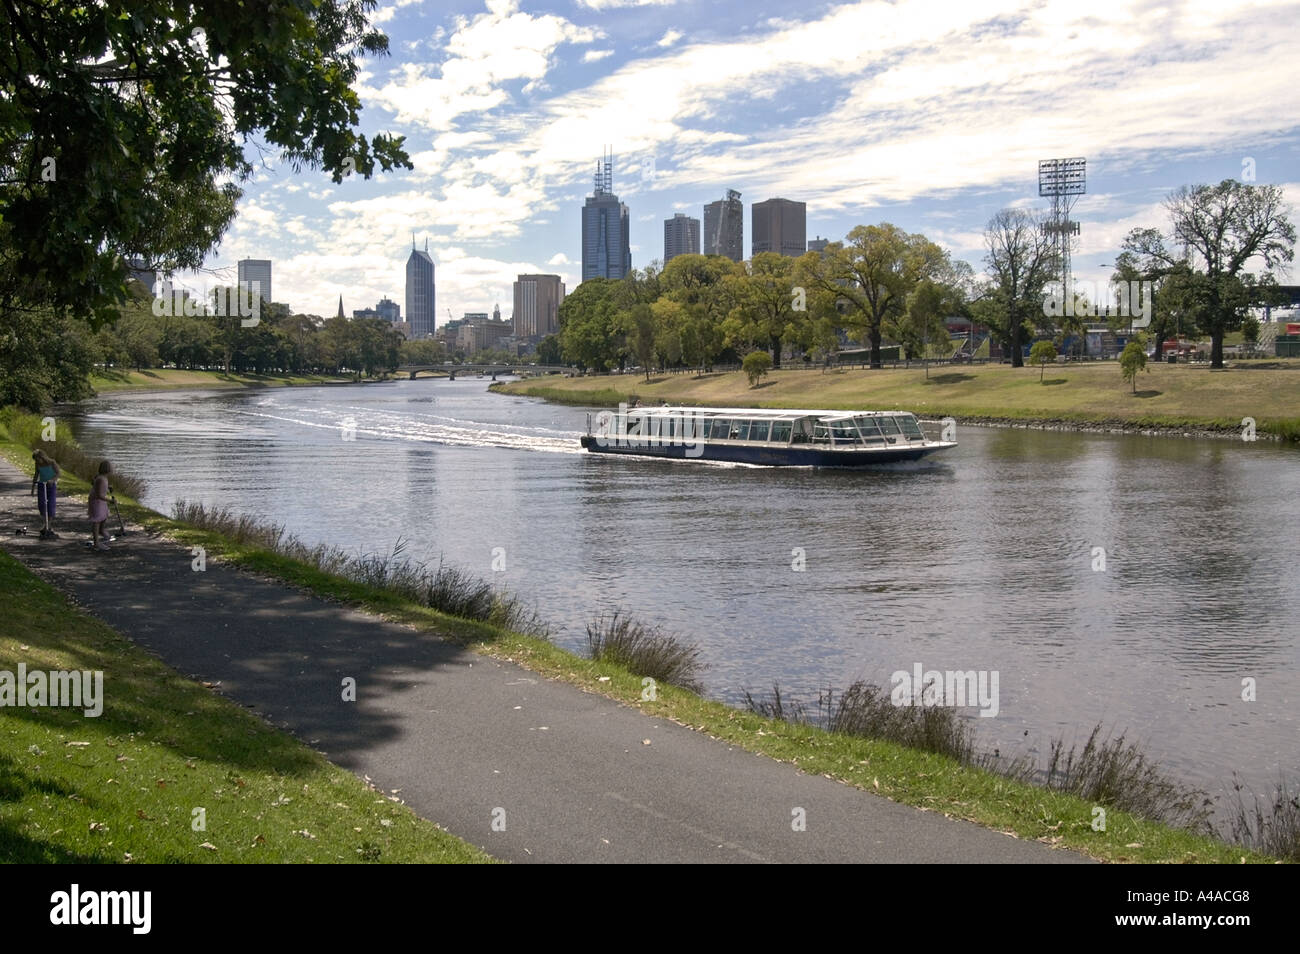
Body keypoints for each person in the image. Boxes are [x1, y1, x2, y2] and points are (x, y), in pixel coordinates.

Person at [31, 449, 62, 538]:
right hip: (41, 485)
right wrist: (33, 487)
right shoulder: (37, 464)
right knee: (42, 505)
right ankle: (46, 524)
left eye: (38, 459)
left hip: (51, 486)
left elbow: (58, 473)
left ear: (42, 457)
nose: (37, 462)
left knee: (50, 505)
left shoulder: (52, 462)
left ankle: (48, 525)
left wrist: (52, 480)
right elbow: (36, 474)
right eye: (36, 460)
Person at [88, 460, 113, 551]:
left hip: (100, 501)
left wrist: (108, 488)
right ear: (108, 469)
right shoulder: (101, 479)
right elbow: (99, 495)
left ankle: (101, 531)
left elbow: (100, 488)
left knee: (104, 515)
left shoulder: (103, 478)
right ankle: (96, 543)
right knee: (97, 520)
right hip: (97, 501)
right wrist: (110, 500)